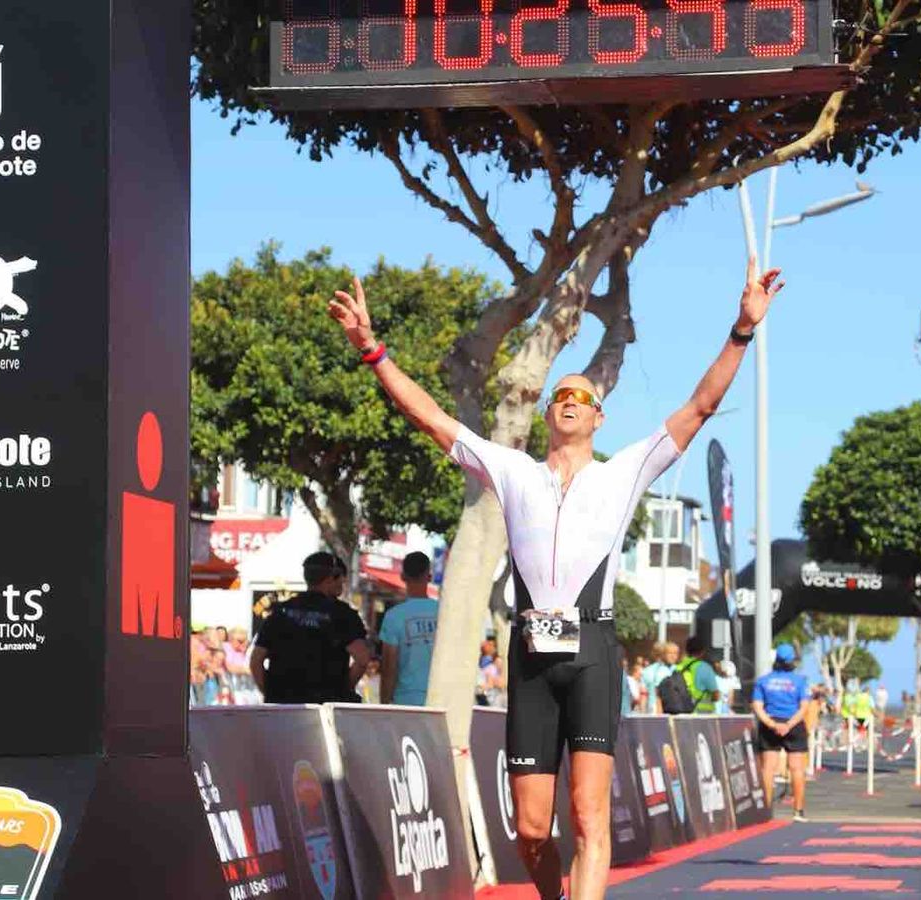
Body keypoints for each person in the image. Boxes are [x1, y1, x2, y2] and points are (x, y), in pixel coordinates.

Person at [328, 255, 783, 900]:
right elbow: (430, 418)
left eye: (583, 398)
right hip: (531, 659)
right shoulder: (513, 471)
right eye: (560, 397)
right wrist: (371, 351)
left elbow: (701, 405)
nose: (570, 402)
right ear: (547, 414)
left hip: (593, 651)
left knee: (590, 818)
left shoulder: (624, 471)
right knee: (531, 830)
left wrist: (742, 329)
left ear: (599, 418)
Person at [248, 552, 370, 704]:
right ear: (330, 578)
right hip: (326, 705)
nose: (343, 583)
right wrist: (343, 689)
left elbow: (255, 661)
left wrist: (271, 693)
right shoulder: (343, 614)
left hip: (283, 705)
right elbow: (362, 659)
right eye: (341, 578)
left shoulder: (280, 612)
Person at [751, 644, 811, 822]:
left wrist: (772, 724)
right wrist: (789, 724)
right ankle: (798, 811)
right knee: (797, 769)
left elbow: (757, 706)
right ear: (792, 661)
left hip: (770, 724)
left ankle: (766, 812)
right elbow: (804, 707)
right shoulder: (800, 681)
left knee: (768, 769)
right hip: (794, 724)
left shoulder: (763, 681)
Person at [378, 551, 440, 706]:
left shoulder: (393, 616)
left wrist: (384, 703)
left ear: (403, 576)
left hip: (405, 700)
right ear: (429, 577)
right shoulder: (443, 613)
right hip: (439, 697)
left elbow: (389, 666)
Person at [675, 635, 720, 715]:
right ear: (702, 651)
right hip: (701, 715)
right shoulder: (704, 667)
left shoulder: (679, 667)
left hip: (681, 713)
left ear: (687, 650)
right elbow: (716, 696)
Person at [641, 643, 678, 714]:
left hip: (650, 709)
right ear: (664, 654)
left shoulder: (646, 671)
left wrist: (642, 714)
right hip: (664, 710)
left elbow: (643, 695)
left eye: (675, 653)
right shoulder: (667, 670)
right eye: (670, 653)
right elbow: (658, 693)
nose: (673, 656)